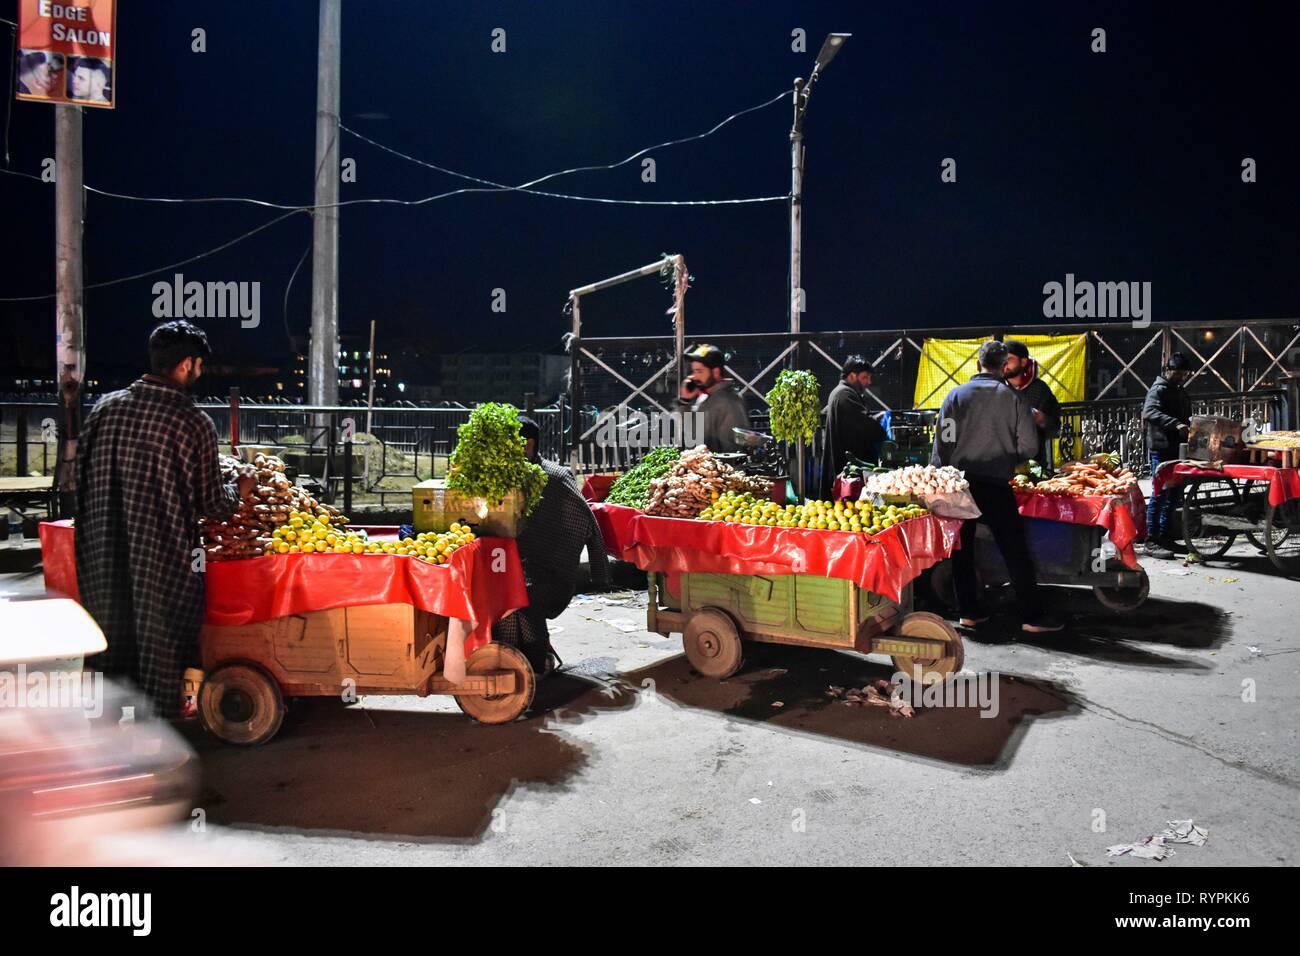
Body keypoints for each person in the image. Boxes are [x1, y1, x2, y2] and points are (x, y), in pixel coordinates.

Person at [75, 321, 257, 718]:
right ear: (186, 364)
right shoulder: (192, 421)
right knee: (161, 648)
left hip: (101, 559)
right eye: (198, 364)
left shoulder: (104, 408)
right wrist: (240, 491)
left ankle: (101, 734)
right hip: (163, 564)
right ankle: (156, 738)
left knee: (108, 643)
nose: (199, 371)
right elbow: (214, 503)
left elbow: (78, 481)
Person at [931, 340, 1063, 633]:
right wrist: (1005, 453)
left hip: (960, 485)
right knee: (1014, 548)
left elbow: (942, 445)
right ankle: (1031, 616)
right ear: (1005, 367)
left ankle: (969, 613)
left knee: (962, 549)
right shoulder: (1014, 400)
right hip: (995, 484)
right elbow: (1029, 446)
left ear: (977, 365)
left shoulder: (955, 396)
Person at [493, 416, 611, 676]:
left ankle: (534, 660)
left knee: (522, 594)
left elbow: (586, 521)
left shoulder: (556, 478)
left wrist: (599, 572)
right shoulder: (502, 479)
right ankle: (508, 658)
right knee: (495, 591)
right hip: (512, 567)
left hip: (549, 573)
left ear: (528, 445)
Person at [1141, 352, 1193, 558]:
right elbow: (1150, 412)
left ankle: (1165, 537)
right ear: (1168, 370)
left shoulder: (1179, 390)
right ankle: (1151, 540)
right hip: (1162, 449)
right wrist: (1176, 423)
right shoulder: (1159, 389)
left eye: (1184, 374)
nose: (1181, 377)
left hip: (1176, 448)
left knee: (1173, 495)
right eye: (1178, 373)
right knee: (1160, 493)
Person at [820, 355, 888, 497]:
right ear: (852, 376)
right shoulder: (845, 395)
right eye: (864, 378)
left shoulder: (841, 393)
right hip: (847, 476)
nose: (868, 382)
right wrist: (881, 429)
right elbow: (867, 427)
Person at [1002, 340, 1061, 469]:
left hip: (1033, 462)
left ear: (1023, 362)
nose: (1004, 364)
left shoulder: (1039, 388)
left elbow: (1054, 424)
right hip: (1001, 462)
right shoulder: (996, 388)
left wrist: (1038, 417)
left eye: (1009, 359)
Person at [678, 344, 748, 453]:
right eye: (694, 371)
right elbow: (688, 433)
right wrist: (685, 401)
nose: (694, 377)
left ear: (716, 372)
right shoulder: (703, 397)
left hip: (712, 468)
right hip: (696, 465)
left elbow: (733, 450)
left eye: (699, 371)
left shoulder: (729, 402)